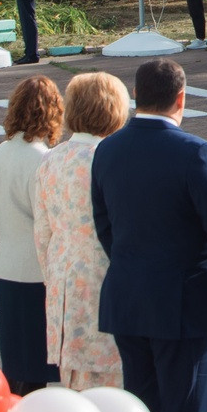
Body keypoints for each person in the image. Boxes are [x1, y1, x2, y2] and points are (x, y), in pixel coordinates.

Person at [92, 57, 207, 412]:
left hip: (128, 299)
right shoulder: (197, 152)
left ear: (136, 94)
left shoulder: (108, 149)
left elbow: (104, 225)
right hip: (184, 304)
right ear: (180, 98)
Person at [32, 71, 128, 390]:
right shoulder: (112, 158)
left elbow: (42, 231)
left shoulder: (51, 160)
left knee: (75, 384)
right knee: (114, 386)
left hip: (64, 283)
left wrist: (52, 275)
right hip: (106, 280)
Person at [0, 75, 64, 394]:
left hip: (6, 267)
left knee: (16, 369)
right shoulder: (43, 159)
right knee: (37, 372)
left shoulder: (0, 151)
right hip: (37, 273)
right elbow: (50, 219)